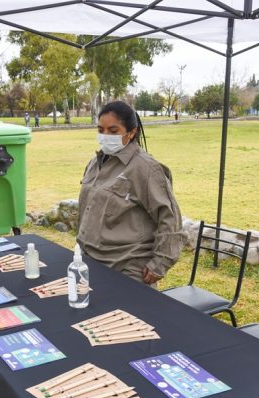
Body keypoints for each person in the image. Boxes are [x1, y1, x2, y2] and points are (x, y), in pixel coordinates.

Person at [77, 101, 186, 286]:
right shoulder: (95, 163)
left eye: (113, 131)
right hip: (90, 263)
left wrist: (160, 263)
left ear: (132, 132)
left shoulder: (145, 168)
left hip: (127, 269)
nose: (105, 136)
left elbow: (169, 218)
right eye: (100, 130)